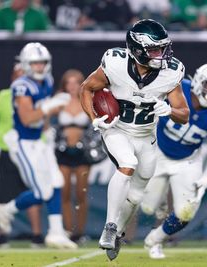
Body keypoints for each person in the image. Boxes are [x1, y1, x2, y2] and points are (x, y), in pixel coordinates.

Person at [80, 19, 189, 260]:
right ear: (137, 49)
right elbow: (86, 88)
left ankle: (117, 232)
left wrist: (170, 111)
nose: (161, 55)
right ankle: (109, 227)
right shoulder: (115, 63)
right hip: (117, 129)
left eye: (162, 48)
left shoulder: (171, 72)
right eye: (154, 50)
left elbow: (184, 114)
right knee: (127, 164)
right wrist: (93, 118)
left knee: (137, 195)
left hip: (146, 135)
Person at [140, 62, 207, 259]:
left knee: (187, 211)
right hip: (158, 151)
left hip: (188, 160)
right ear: (199, 80)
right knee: (147, 206)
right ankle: (159, 203)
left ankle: (155, 240)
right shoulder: (176, 88)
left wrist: (206, 180)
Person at [0, 42, 77, 249]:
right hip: (23, 144)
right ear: (26, 64)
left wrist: (48, 124)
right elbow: (28, 117)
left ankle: (56, 232)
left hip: (39, 141)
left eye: (42, 63)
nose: (39, 67)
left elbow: (43, 115)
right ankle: (7, 209)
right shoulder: (21, 85)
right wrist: (50, 106)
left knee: (57, 182)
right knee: (43, 192)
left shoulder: (47, 80)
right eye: (35, 63)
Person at [0, 63, 43, 247]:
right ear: (13, 77)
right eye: (17, 74)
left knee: (36, 190)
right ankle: (3, 233)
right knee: (5, 193)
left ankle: (37, 234)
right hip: (8, 148)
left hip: (30, 149)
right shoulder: (3, 96)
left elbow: (41, 121)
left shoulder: (36, 93)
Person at [55, 69, 100, 243]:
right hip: (63, 151)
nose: (72, 86)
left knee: (81, 194)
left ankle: (79, 232)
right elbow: (44, 118)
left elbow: (96, 120)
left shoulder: (87, 98)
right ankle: (67, 231)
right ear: (65, 85)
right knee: (64, 193)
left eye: (76, 82)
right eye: (69, 82)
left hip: (82, 153)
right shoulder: (59, 101)